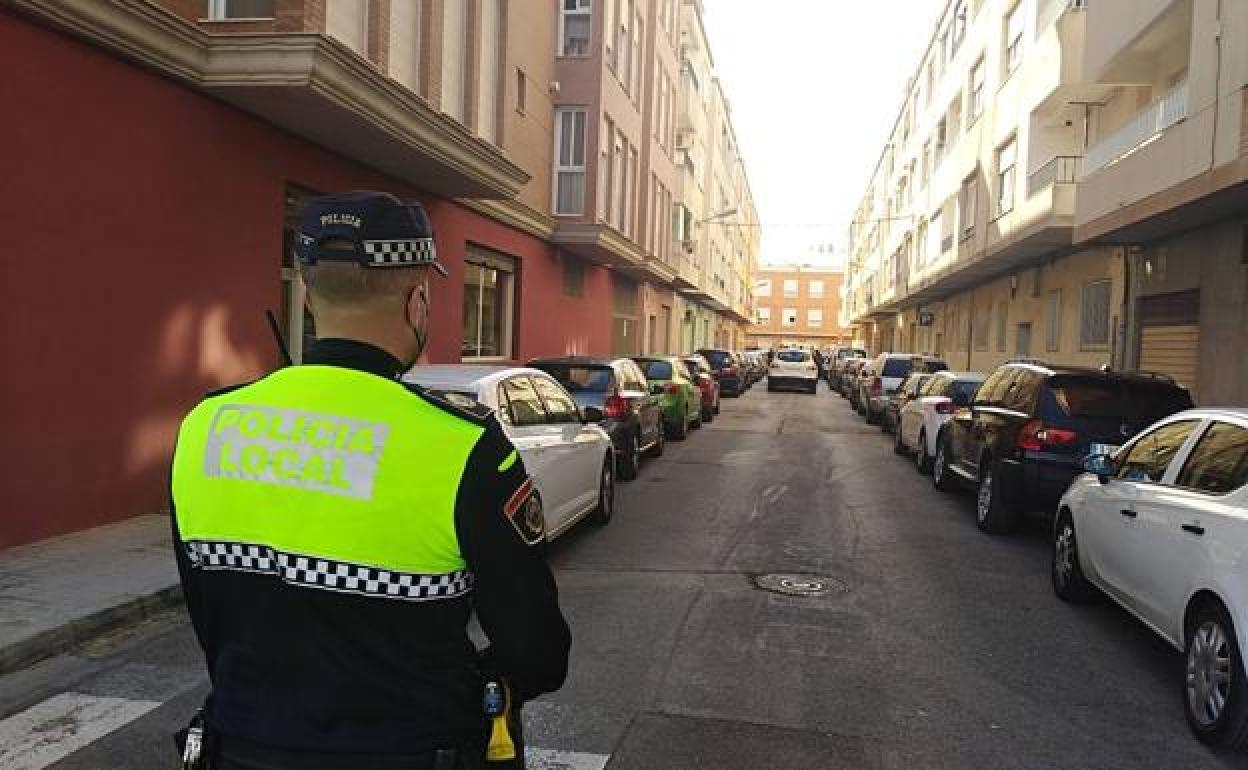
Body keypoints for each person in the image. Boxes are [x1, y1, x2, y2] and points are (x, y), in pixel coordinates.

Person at [170, 191, 571, 770]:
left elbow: (210, 616)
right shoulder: (464, 445)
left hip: (242, 747)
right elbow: (537, 652)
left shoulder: (203, 426)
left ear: (308, 296)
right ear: (417, 302)